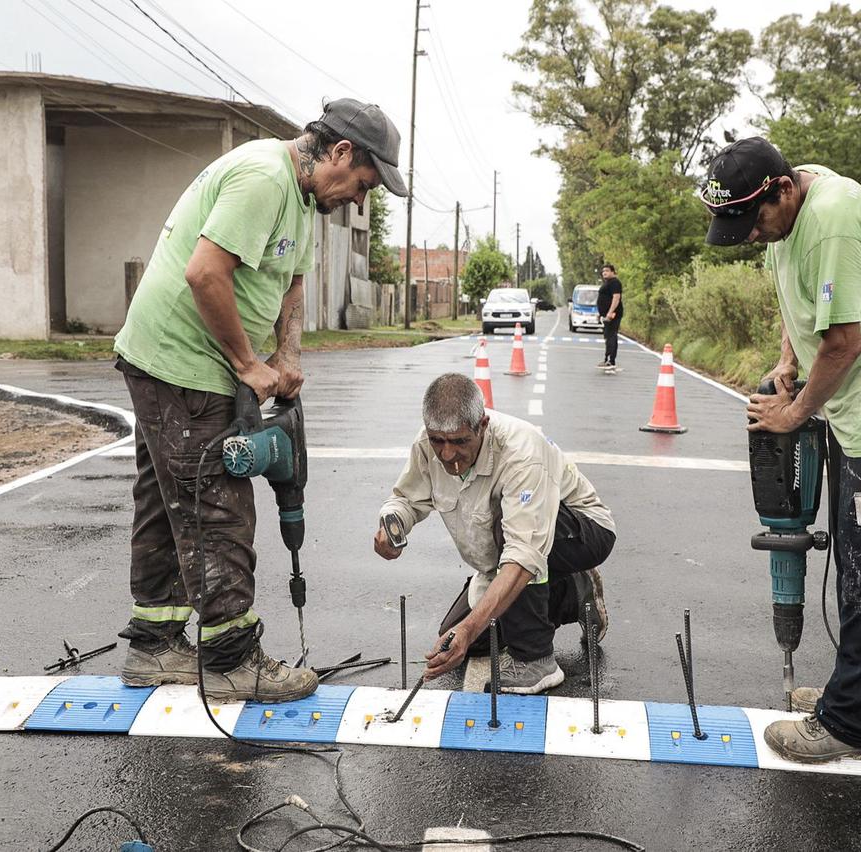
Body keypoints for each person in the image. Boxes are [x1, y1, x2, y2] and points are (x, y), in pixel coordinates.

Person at [113, 98, 408, 702]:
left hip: (181, 363)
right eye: (362, 183)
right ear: (341, 152)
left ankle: (155, 645)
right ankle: (230, 660)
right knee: (215, 503)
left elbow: (291, 281)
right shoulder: (263, 178)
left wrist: (288, 356)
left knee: (166, 498)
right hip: (180, 361)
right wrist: (250, 364)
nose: (359, 199)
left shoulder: (302, 201)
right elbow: (205, 274)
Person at [702, 137, 861, 763]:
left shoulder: (831, 219)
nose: (754, 236)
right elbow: (798, 304)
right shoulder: (784, 221)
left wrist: (791, 413)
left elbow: (843, 342)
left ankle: (854, 725)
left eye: (755, 221)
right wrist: (788, 361)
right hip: (860, 414)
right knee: (859, 556)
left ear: (782, 190)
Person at [374, 373, 616, 694]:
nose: (447, 454)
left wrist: (471, 627)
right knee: (458, 641)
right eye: (438, 441)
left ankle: (536, 659)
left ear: (483, 425)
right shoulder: (427, 443)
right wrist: (393, 525)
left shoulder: (521, 454)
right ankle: (575, 592)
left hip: (581, 531)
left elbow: (522, 556)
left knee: (480, 615)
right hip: (506, 554)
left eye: (459, 442)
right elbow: (407, 499)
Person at [596, 263, 623, 369]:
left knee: (611, 336)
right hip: (607, 314)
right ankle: (607, 359)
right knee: (608, 336)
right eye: (603, 271)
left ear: (613, 272)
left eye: (607, 271)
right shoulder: (608, 283)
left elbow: (616, 298)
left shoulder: (615, 283)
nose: (604, 273)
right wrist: (600, 313)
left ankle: (611, 360)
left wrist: (609, 313)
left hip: (613, 315)